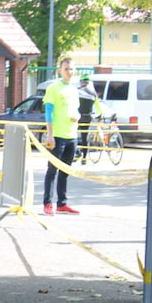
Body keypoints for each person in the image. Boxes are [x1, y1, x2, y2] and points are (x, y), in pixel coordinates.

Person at [42, 57, 81, 215]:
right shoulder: (54, 88)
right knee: (52, 170)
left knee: (65, 171)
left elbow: (76, 110)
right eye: (66, 69)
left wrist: (77, 116)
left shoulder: (74, 89)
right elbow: (48, 112)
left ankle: (62, 203)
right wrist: (50, 135)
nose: (69, 72)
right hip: (57, 135)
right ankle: (47, 203)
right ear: (60, 70)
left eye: (72, 69)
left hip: (72, 135)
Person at [77, 74, 100, 165]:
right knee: (84, 137)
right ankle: (84, 158)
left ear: (82, 82)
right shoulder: (93, 93)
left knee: (73, 136)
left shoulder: (77, 91)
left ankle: (76, 153)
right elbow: (98, 107)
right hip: (87, 117)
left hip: (77, 116)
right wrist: (99, 115)